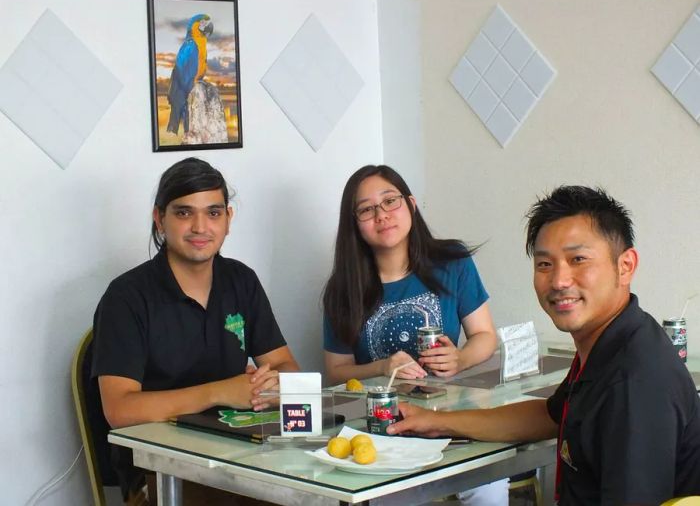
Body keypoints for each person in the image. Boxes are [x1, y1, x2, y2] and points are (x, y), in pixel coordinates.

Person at [388, 185, 700, 504]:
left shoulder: (633, 383)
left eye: (578, 259)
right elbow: (550, 416)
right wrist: (436, 421)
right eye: (544, 264)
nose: (559, 280)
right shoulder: (615, 341)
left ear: (626, 266)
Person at [91, 157, 299, 503]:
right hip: (159, 471)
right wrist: (220, 391)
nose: (200, 227)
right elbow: (119, 410)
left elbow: (286, 366)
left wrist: (271, 384)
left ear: (228, 220)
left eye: (214, 213)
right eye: (184, 213)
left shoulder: (241, 281)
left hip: (240, 455)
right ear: (160, 219)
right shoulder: (125, 297)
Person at [322, 165, 506, 504]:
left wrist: (460, 358)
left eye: (390, 201)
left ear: (411, 204)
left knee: (489, 485)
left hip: (453, 419)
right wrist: (382, 366)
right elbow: (336, 372)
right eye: (366, 209)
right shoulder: (342, 290)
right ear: (355, 224)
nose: (382, 215)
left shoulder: (453, 262)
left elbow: (485, 336)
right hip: (383, 428)